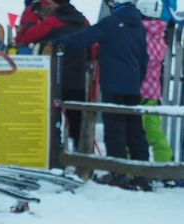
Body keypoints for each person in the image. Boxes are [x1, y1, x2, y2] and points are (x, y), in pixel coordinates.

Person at [54, 0, 150, 190]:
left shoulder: (112, 22)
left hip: (114, 85)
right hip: (132, 87)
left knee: (115, 131)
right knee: (135, 130)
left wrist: (57, 43)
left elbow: (83, 38)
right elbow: (143, 58)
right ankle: (142, 175)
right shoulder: (138, 25)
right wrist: (136, 80)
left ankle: (117, 174)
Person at [14, 0, 89, 148]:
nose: (43, 9)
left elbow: (26, 39)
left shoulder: (53, 22)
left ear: (53, 5)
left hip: (53, 80)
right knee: (77, 123)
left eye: (44, 6)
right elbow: (93, 48)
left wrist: (33, 17)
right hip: (77, 80)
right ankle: (81, 160)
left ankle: (53, 154)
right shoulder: (83, 21)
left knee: (50, 122)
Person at [137, 0, 174, 164]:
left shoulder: (140, 35)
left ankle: (133, 167)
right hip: (153, 91)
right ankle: (165, 164)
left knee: (138, 132)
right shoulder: (160, 34)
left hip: (140, 90)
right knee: (153, 130)